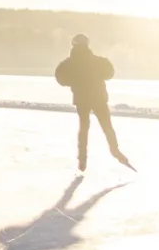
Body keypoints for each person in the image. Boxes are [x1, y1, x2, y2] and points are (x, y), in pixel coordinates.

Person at [55, 34, 134, 172]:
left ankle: (82, 160)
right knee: (107, 126)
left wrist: (72, 82)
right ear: (87, 45)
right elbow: (110, 72)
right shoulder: (97, 61)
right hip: (98, 98)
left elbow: (60, 77)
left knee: (84, 128)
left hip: (81, 99)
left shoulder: (68, 63)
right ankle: (115, 152)